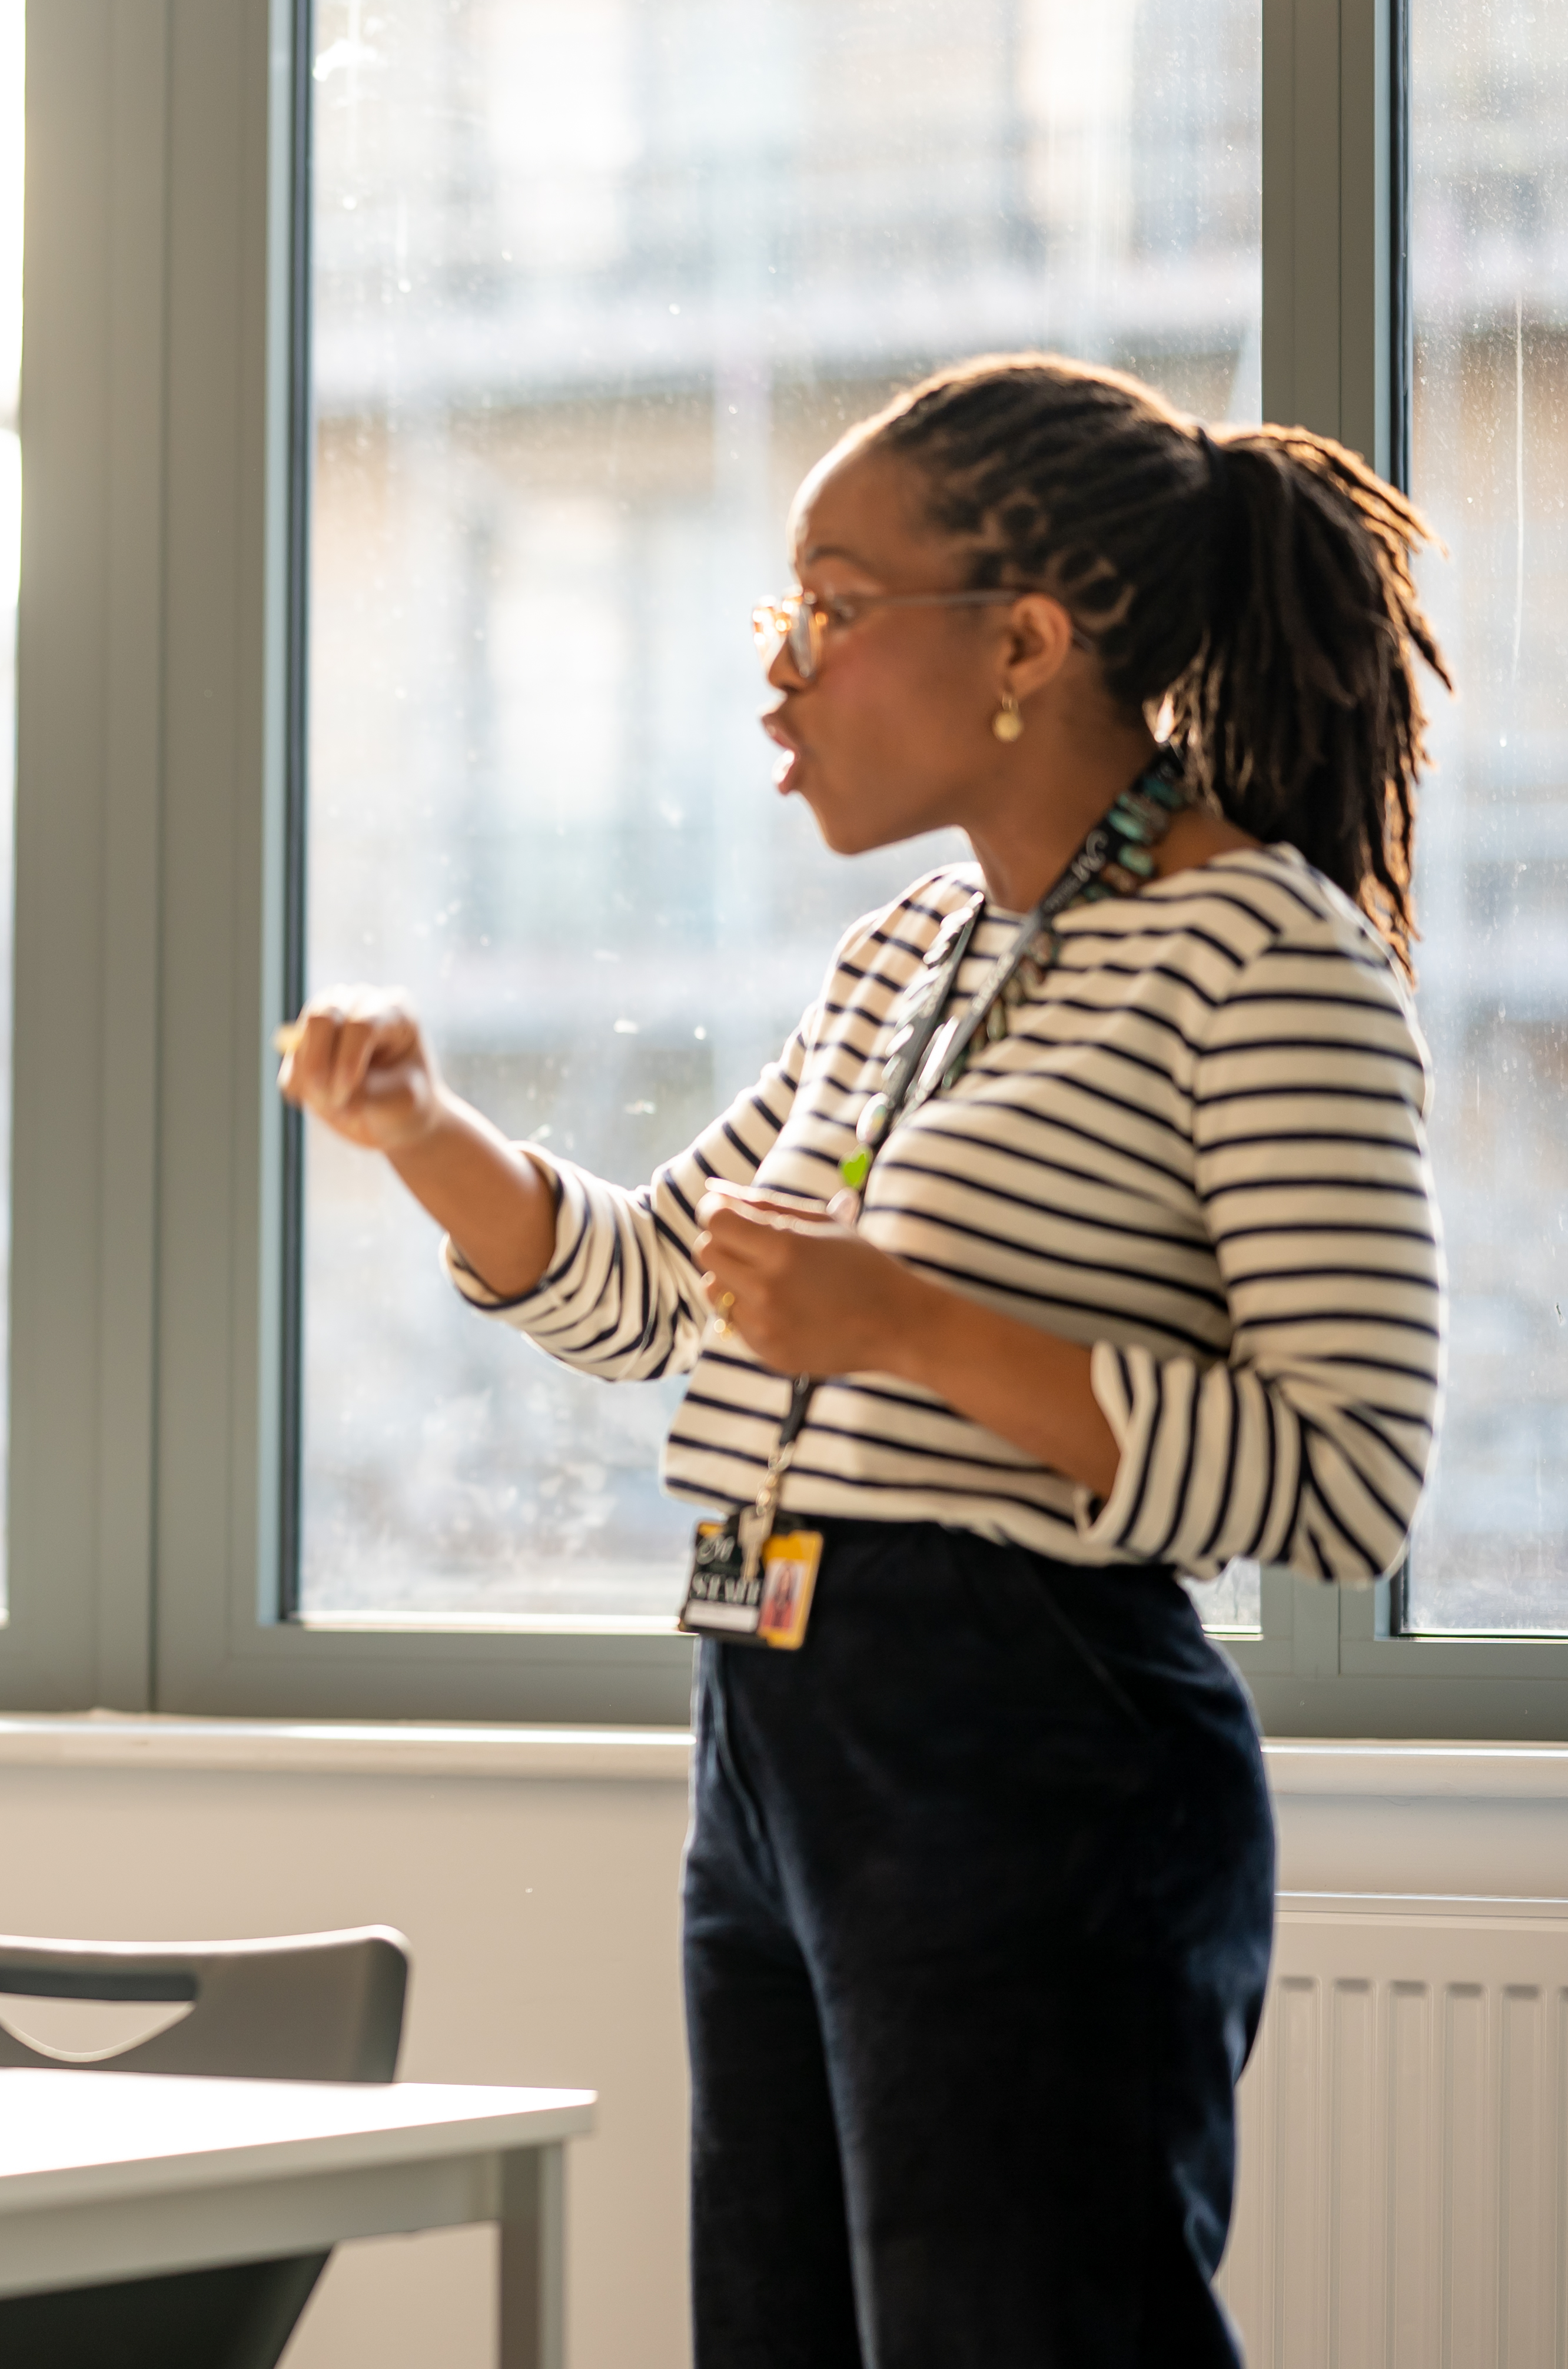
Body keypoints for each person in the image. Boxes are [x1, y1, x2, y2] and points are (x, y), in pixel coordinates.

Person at [280, 355, 1444, 2364]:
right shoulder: (905, 956)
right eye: (777, 615)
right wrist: (418, 1134)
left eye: (825, 609)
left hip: (1034, 1744)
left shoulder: (1263, 956)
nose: (775, 675)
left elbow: (1342, 1477)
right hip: (775, 1722)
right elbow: (661, 1288)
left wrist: (905, 1322)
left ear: (1019, 640)